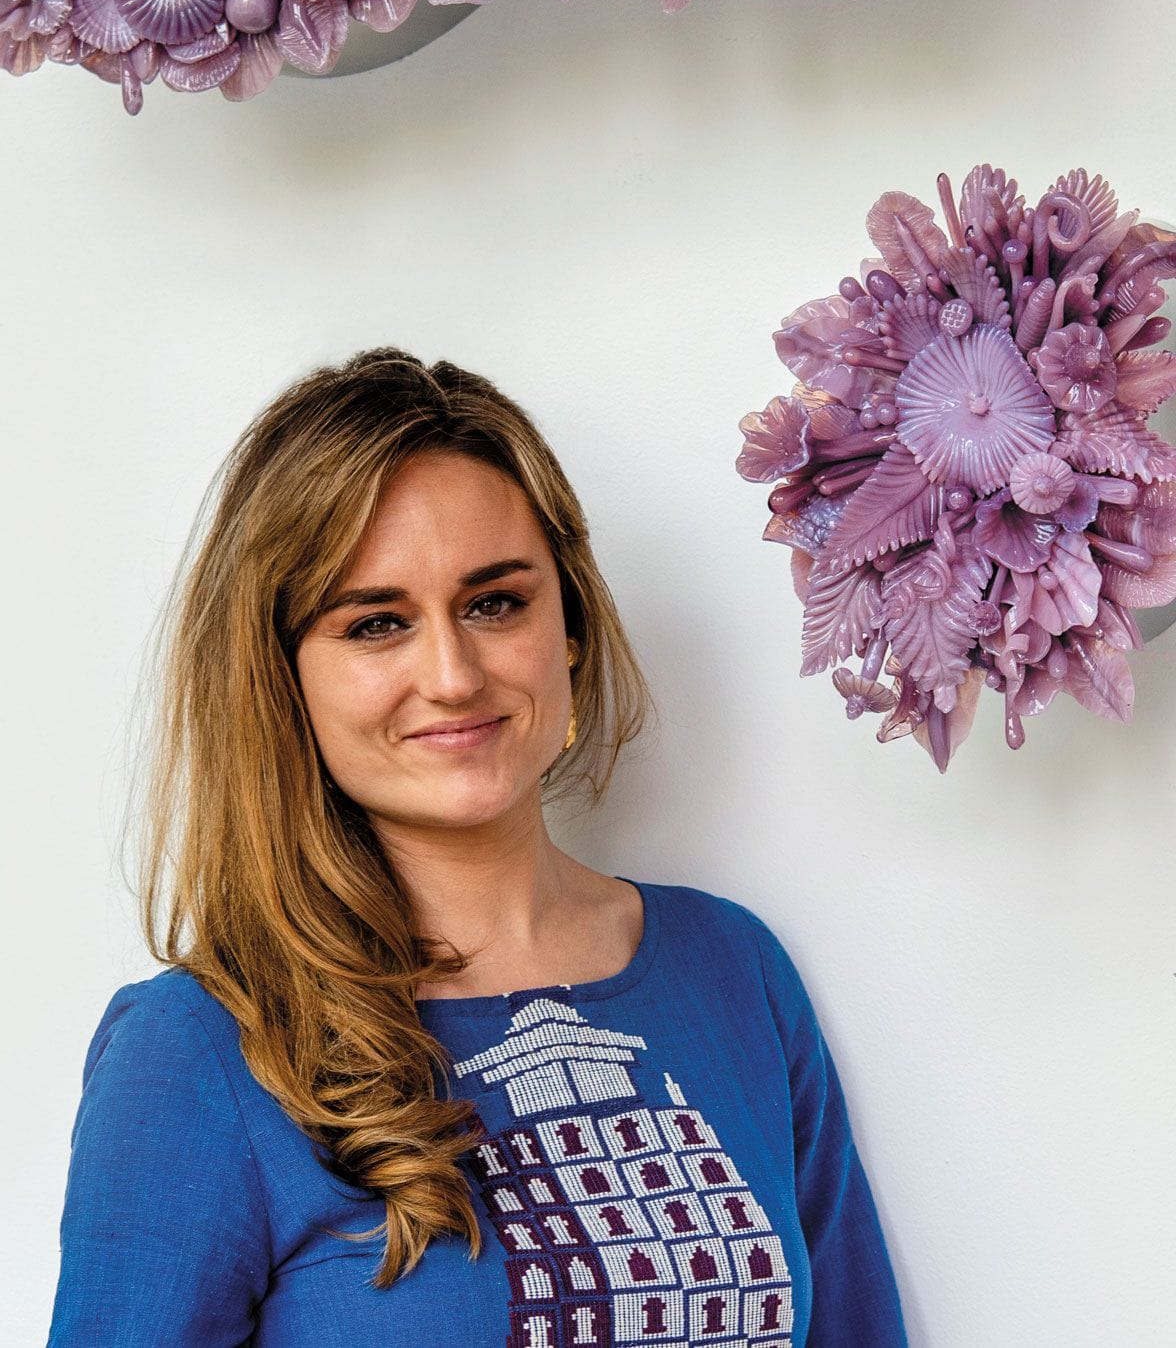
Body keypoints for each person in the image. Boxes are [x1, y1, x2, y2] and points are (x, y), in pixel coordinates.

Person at [47, 347, 907, 1346]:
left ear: (571, 625)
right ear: (284, 678)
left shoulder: (735, 973)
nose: (453, 676)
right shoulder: (200, 1050)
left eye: (495, 603)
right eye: (375, 624)